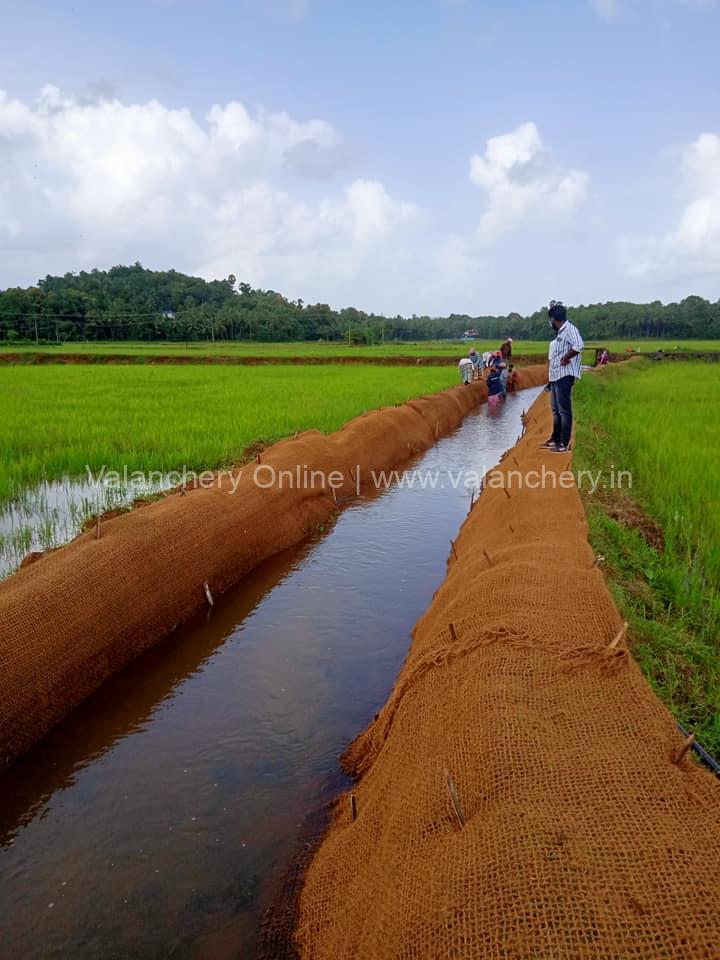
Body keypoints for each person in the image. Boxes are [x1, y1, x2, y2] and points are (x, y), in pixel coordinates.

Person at [539, 300, 584, 453]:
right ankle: (556, 439)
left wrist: (566, 358)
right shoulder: (561, 332)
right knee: (556, 409)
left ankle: (564, 443)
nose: (550, 322)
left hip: (565, 375)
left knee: (564, 410)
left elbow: (578, 345)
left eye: (550, 319)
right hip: (556, 376)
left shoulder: (570, 329)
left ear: (554, 319)